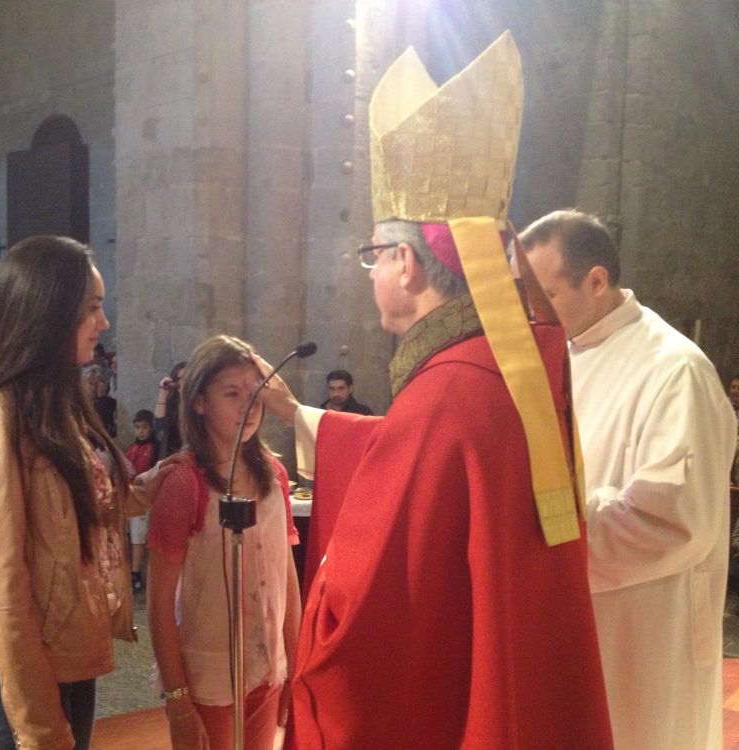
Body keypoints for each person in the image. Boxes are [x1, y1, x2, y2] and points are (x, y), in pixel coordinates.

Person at [257, 33, 613, 748]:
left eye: (374, 256)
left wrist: (315, 600)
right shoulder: (516, 375)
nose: (371, 273)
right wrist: (305, 418)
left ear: (407, 263)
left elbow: (364, 615)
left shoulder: (445, 395)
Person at [520, 209, 737, 750]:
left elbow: (673, 521)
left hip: (643, 634)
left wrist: (539, 521)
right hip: (576, 617)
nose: (530, 313)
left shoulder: (674, 370)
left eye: (544, 296)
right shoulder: (560, 356)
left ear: (596, 281)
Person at [0, 235, 146, 750]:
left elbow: (80, 508)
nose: (103, 324)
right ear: (48, 313)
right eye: (93, 309)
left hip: (69, 647)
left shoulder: (55, 405)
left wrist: (155, 485)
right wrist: (39, 729)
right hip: (24, 663)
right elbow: (1, 589)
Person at [148, 335, 301, 750]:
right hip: (209, 676)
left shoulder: (275, 477)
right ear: (199, 402)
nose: (247, 407)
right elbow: (160, 600)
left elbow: (286, 574)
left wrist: (296, 667)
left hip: (267, 666)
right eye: (232, 394)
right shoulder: (184, 482)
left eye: (254, 394)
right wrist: (177, 699)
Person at [125, 409, 158, 593]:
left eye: (145, 427)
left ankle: (136, 573)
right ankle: (128, 569)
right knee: (130, 535)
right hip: (129, 495)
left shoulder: (153, 449)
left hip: (143, 498)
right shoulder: (131, 448)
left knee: (138, 537)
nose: (141, 431)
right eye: (137, 427)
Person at [155, 361, 186, 457]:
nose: (183, 382)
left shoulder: (201, 401)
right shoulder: (172, 402)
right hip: (173, 454)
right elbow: (159, 424)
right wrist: (163, 392)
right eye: (179, 379)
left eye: (186, 378)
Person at [85, 364, 118, 437]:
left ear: (105, 385)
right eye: (90, 384)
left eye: (97, 384)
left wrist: (101, 396)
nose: (93, 388)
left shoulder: (111, 403)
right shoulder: (81, 402)